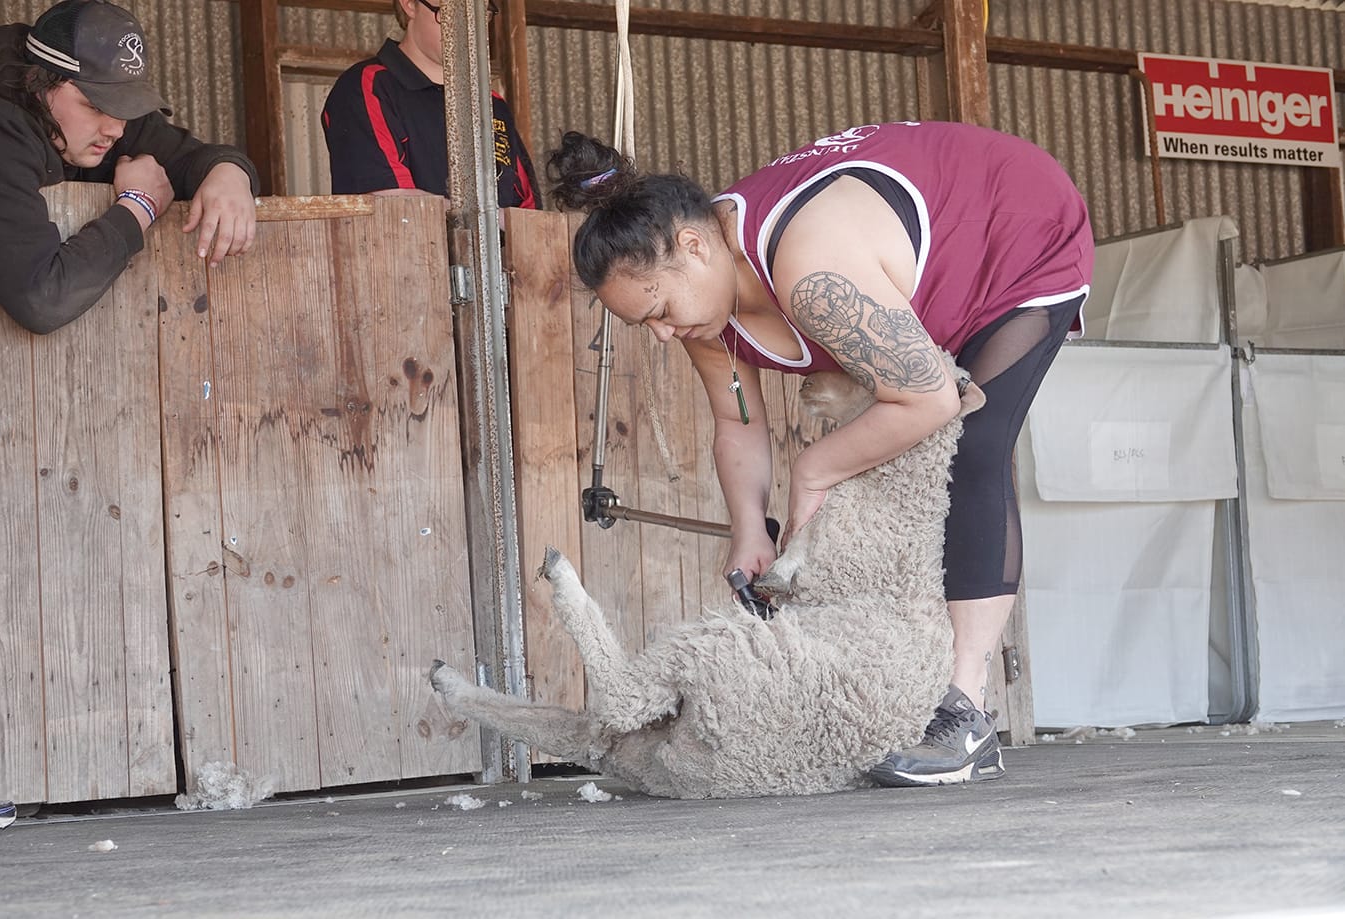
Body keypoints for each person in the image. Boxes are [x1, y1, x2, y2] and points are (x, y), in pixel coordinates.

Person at [547, 122, 1093, 787]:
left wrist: (814, 470)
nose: (661, 334)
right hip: (934, 269)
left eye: (658, 308)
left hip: (1018, 230)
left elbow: (928, 400)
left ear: (692, 245)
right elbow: (738, 422)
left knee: (969, 442)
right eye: (645, 324)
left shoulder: (809, 269)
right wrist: (750, 528)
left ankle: (965, 710)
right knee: (882, 444)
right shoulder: (704, 306)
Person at [0, 0, 259, 335]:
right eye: (94, 105)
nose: (116, 130)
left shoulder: (110, 120)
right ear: (38, 84)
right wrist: (140, 205)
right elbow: (41, 300)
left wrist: (230, 172)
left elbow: (191, 159)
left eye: (124, 106)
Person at [320, 0, 539, 207]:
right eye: (447, 13)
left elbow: (526, 209)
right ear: (409, 4)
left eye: (478, 15)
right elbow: (390, 203)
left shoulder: (491, 103)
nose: (464, 28)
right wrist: (490, 220)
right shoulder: (368, 86)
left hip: (493, 247)